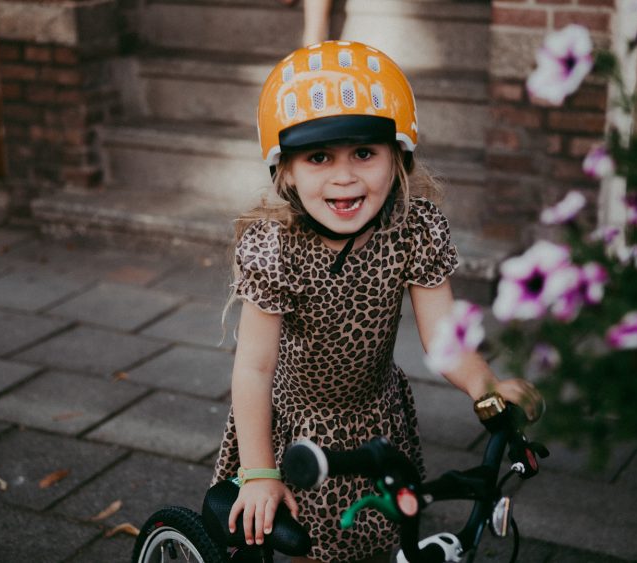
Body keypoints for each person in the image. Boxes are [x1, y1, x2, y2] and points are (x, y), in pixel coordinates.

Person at [211, 40, 543, 563]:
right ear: (286, 172)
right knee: (311, 547)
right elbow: (254, 366)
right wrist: (259, 471)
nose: (344, 177)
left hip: (377, 414)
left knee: (384, 533)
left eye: (364, 153)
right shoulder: (277, 247)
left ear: (399, 159)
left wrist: (487, 388)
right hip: (302, 425)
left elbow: (441, 335)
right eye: (319, 157)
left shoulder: (413, 228)